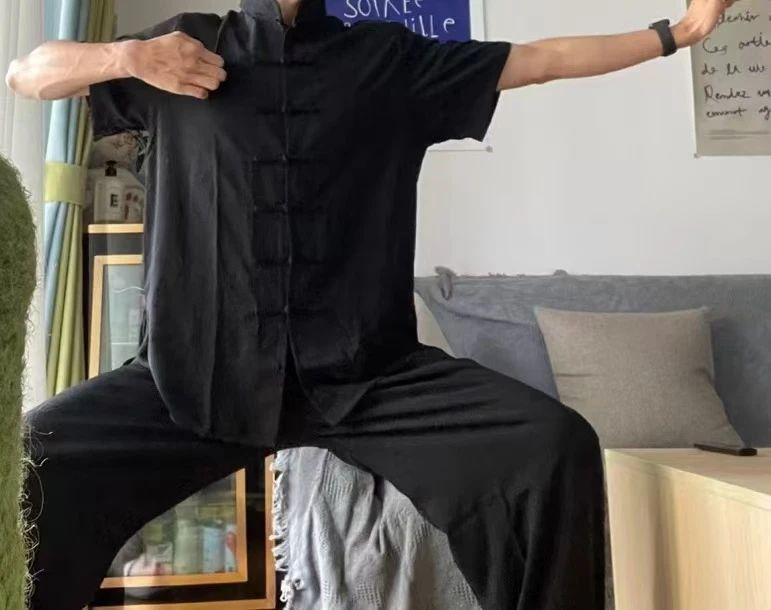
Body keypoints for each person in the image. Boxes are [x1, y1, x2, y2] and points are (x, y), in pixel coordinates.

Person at [7, 1, 734, 608]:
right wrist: (126, 57)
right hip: (194, 373)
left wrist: (678, 33)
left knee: (553, 447)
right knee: (30, 462)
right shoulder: (180, 48)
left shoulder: (387, 60)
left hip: (370, 378)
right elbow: (27, 74)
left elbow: (541, 59)